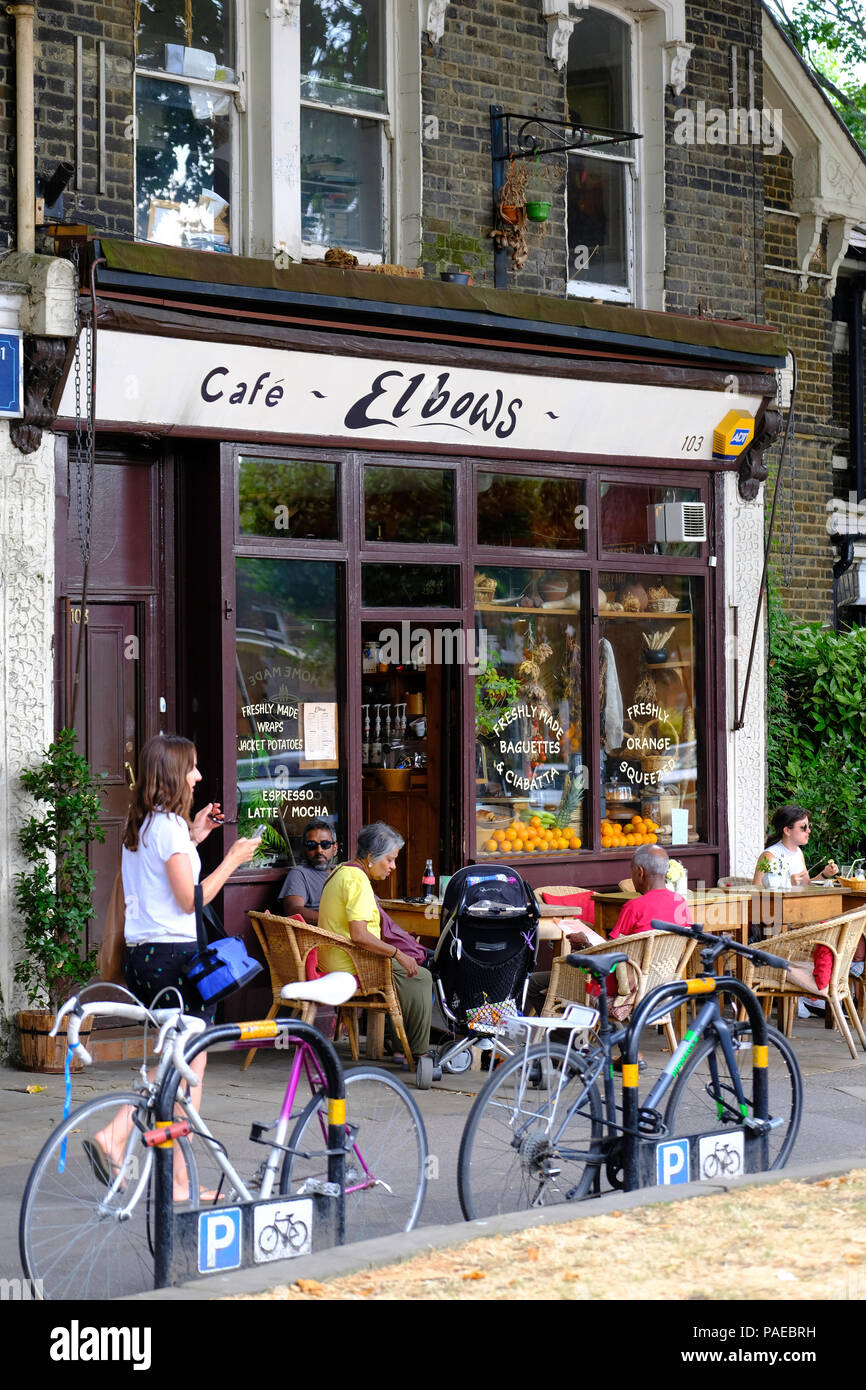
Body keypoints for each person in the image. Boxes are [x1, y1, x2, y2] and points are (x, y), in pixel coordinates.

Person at [91, 734, 261, 1198]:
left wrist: (197, 835)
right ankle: (118, 1134)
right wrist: (232, 859)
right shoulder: (165, 827)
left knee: (186, 1061)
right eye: (192, 768)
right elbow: (191, 899)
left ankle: (180, 1179)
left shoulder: (142, 824)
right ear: (172, 774)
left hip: (145, 957)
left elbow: (162, 871)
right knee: (188, 1063)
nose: (199, 777)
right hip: (173, 956)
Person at [317, 822, 432, 1061]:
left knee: (413, 966)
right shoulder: (357, 880)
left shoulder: (340, 871)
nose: (393, 866)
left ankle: (401, 1045)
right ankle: (418, 1052)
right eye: (389, 860)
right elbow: (359, 935)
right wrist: (397, 954)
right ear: (370, 857)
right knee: (422, 976)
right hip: (352, 964)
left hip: (334, 958)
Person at [752, 805, 838, 887]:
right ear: (787, 831)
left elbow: (805, 886)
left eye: (809, 826)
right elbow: (756, 891)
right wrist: (787, 883)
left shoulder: (798, 853)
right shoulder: (769, 855)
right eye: (803, 827)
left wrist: (825, 874)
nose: (809, 831)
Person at [277, 819, 339, 923]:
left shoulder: (342, 872)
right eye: (312, 845)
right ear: (304, 849)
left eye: (325, 844)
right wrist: (334, 921)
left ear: (335, 848)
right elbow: (293, 911)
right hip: (323, 934)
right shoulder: (300, 874)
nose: (319, 850)